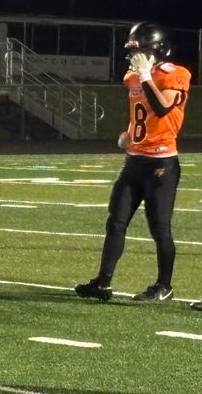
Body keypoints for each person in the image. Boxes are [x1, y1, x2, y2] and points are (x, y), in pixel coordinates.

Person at [75, 23, 191, 303]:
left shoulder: (176, 74)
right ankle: (103, 283)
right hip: (135, 161)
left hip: (161, 163)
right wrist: (129, 133)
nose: (133, 57)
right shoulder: (133, 76)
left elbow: (162, 107)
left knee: (159, 227)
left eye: (139, 51)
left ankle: (164, 286)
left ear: (158, 50)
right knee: (116, 221)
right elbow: (140, 112)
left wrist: (145, 74)